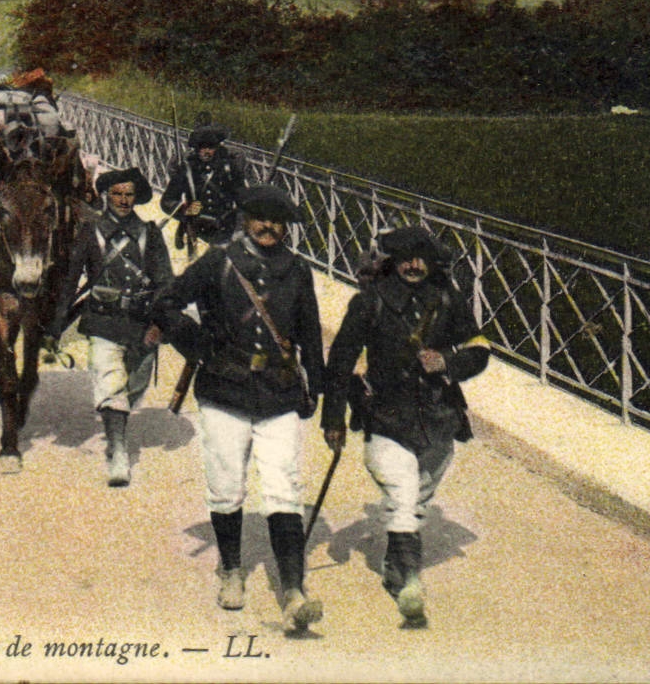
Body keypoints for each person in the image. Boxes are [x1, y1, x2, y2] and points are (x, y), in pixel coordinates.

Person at [150, 184, 325, 630]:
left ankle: (293, 589)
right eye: (260, 218)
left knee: (284, 486)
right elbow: (166, 302)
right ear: (245, 219)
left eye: (278, 220)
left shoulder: (298, 270)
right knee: (226, 484)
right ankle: (230, 569)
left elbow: (309, 333)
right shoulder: (219, 261)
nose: (269, 227)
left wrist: (317, 389)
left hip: (280, 391)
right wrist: (195, 344)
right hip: (224, 389)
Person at [320, 225, 492, 628]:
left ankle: (395, 566)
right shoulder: (370, 302)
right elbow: (341, 360)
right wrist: (334, 419)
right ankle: (410, 584)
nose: (414, 266)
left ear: (432, 263)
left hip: (438, 418)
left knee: (417, 499)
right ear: (392, 261)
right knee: (403, 491)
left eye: (422, 259)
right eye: (406, 258)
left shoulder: (447, 299)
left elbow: (480, 347)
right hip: (386, 415)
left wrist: (449, 363)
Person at [50, 166, 173, 486]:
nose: (122, 199)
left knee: (134, 386)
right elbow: (70, 281)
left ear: (136, 198)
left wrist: (159, 323)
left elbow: (166, 284)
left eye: (128, 194)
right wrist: (56, 324)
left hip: (140, 323)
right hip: (103, 320)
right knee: (110, 383)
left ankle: (118, 422)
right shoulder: (90, 233)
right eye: (116, 193)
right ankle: (118, 450)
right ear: (106, 196)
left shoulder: (150, 234)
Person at [159, 123, 248, 257]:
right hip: (196, 230)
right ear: (196, 149)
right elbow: (167, 201)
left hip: (224, 229)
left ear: (217, 147)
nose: (206, 151)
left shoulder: (228, 168)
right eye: (202, 147)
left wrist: (239, 227)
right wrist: (185, 210)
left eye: (211, 147)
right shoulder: (187, 169)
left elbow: (243, 199)